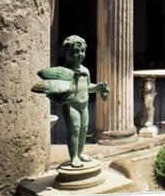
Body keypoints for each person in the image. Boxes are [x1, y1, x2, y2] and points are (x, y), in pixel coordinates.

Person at [32, 35, 109, 167]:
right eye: (75, 52)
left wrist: (97, 87)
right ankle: (73, 157)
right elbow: (59, 87)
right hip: (71, 106)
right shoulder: (65, 72)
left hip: (84, 106)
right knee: (75, 130)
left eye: (82, 51)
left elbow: (86, 87)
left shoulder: (85, 70)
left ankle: (80, 153)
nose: (79, 54)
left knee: (84, 129)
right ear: (67, 53)